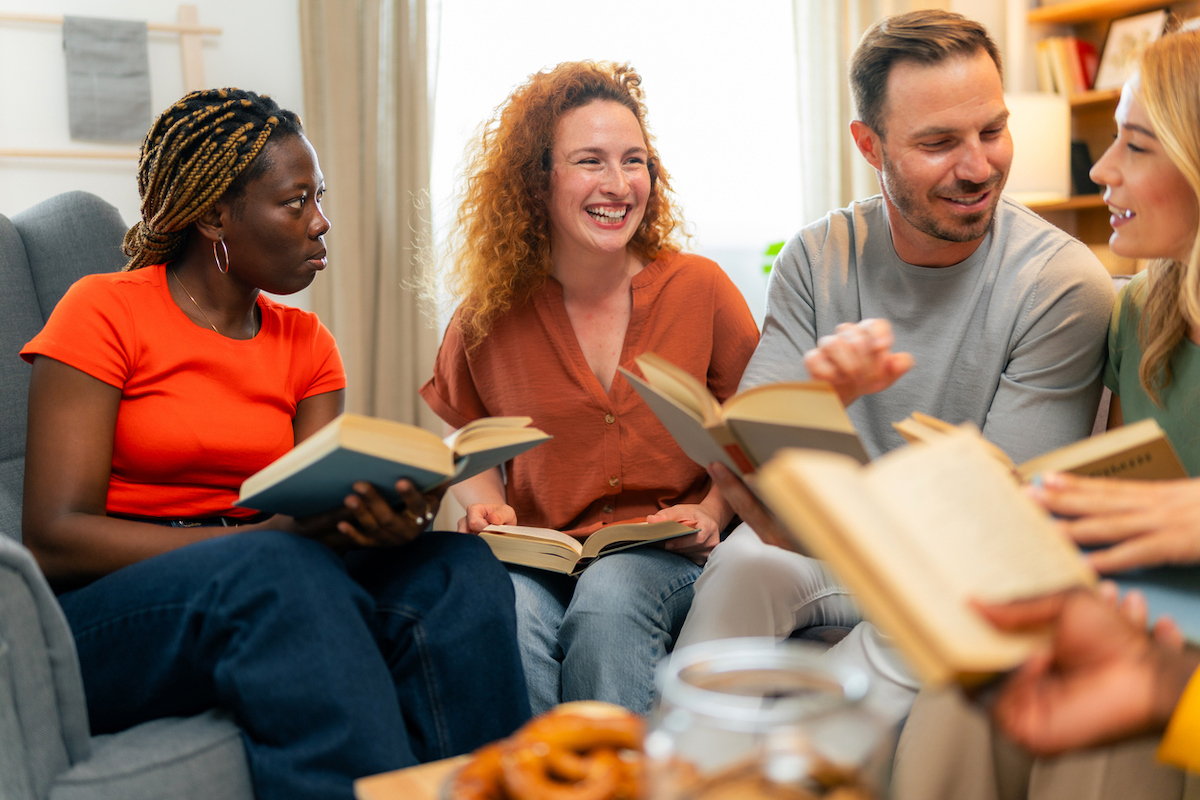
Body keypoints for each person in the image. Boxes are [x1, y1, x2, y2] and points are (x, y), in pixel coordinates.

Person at [20, 88, 529, 800]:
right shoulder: (102, 311)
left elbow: (313, 516)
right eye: (295, 202)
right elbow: (54, 536)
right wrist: (262, 545)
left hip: (275, 577)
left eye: (318, 197)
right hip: (116, 615)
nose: (321, 223)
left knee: (457, 570)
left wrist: (388, 520)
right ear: (212, 215)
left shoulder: (308, 345)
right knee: (280, 567)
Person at [675, 8, 1115, 723]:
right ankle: (688, 762)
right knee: (744, 565)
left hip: (961, 563)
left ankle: (802, 750)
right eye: (939, 142)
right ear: (869, 146)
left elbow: (993, 525)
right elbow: (753, 465)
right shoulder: (819, 256)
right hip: (828, 542)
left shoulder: (1061, 283)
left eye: (993, 131)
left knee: (880, 645)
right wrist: (817, 396)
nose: (977, 167)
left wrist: (820, 482)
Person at [890, 27, 1200, 800]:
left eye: (1136, 146)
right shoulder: (1138, 317)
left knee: (1113, 743)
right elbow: (1124, 499)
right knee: (971, 685)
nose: (1101, 170)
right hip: (1155, 609)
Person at [420, 61, 759, 716]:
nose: (618, 184)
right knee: (503, 616)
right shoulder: (486, 314)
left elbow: (750, 427)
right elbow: (468, 435)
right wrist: (485, 504)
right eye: (590, 161)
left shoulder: (702, 288)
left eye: (634, 161)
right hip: (542, 558)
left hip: (667, 556)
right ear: (536, 181)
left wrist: (712, 512)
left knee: (609, 596)